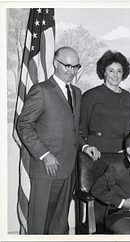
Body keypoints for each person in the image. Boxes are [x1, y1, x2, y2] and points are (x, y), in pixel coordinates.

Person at [16, 46, 98, 234]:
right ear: (55, 63)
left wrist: (84, 145)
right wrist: (45, 155)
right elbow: (24, 125)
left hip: (69, 169)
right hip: (47, 169)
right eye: (67, 66)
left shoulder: (76, 92)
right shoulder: (41, 90)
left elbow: (73, 129)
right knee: (40, 222)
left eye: (75, 66)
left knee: (60, 224)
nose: (71, 71)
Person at [79, 49, 130, 169]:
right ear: (104, 72)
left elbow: (127, 131)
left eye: (119, 71)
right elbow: (80, 127)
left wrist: (126, 149)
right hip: (95, 152)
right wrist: (86, 146)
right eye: (111, 71)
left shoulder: (128, 97)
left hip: (120, 153)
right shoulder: (91, 95)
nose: (115, 75)